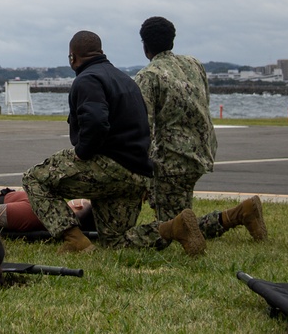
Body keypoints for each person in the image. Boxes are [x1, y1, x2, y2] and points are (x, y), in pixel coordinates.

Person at [22, 30, 206, 256]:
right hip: (137, 174)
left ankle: (74, 239)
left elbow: (97, 122)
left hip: (110, 168)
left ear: (72, 57)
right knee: (116, 241)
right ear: (101, 52)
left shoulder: (87, 79)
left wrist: (82, 152)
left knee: (34, 179)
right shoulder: (125, 80)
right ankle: (174, 228)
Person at [135, 16, 267, 242]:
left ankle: (239, 214)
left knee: (176, 229)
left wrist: (142, 171)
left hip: (172, 158)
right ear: (172, 41)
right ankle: (240, 213)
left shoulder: (148, 76)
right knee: (181, 216)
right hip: (201, 151)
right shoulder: (193, 64)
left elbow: (143, 128)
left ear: (145, 45)